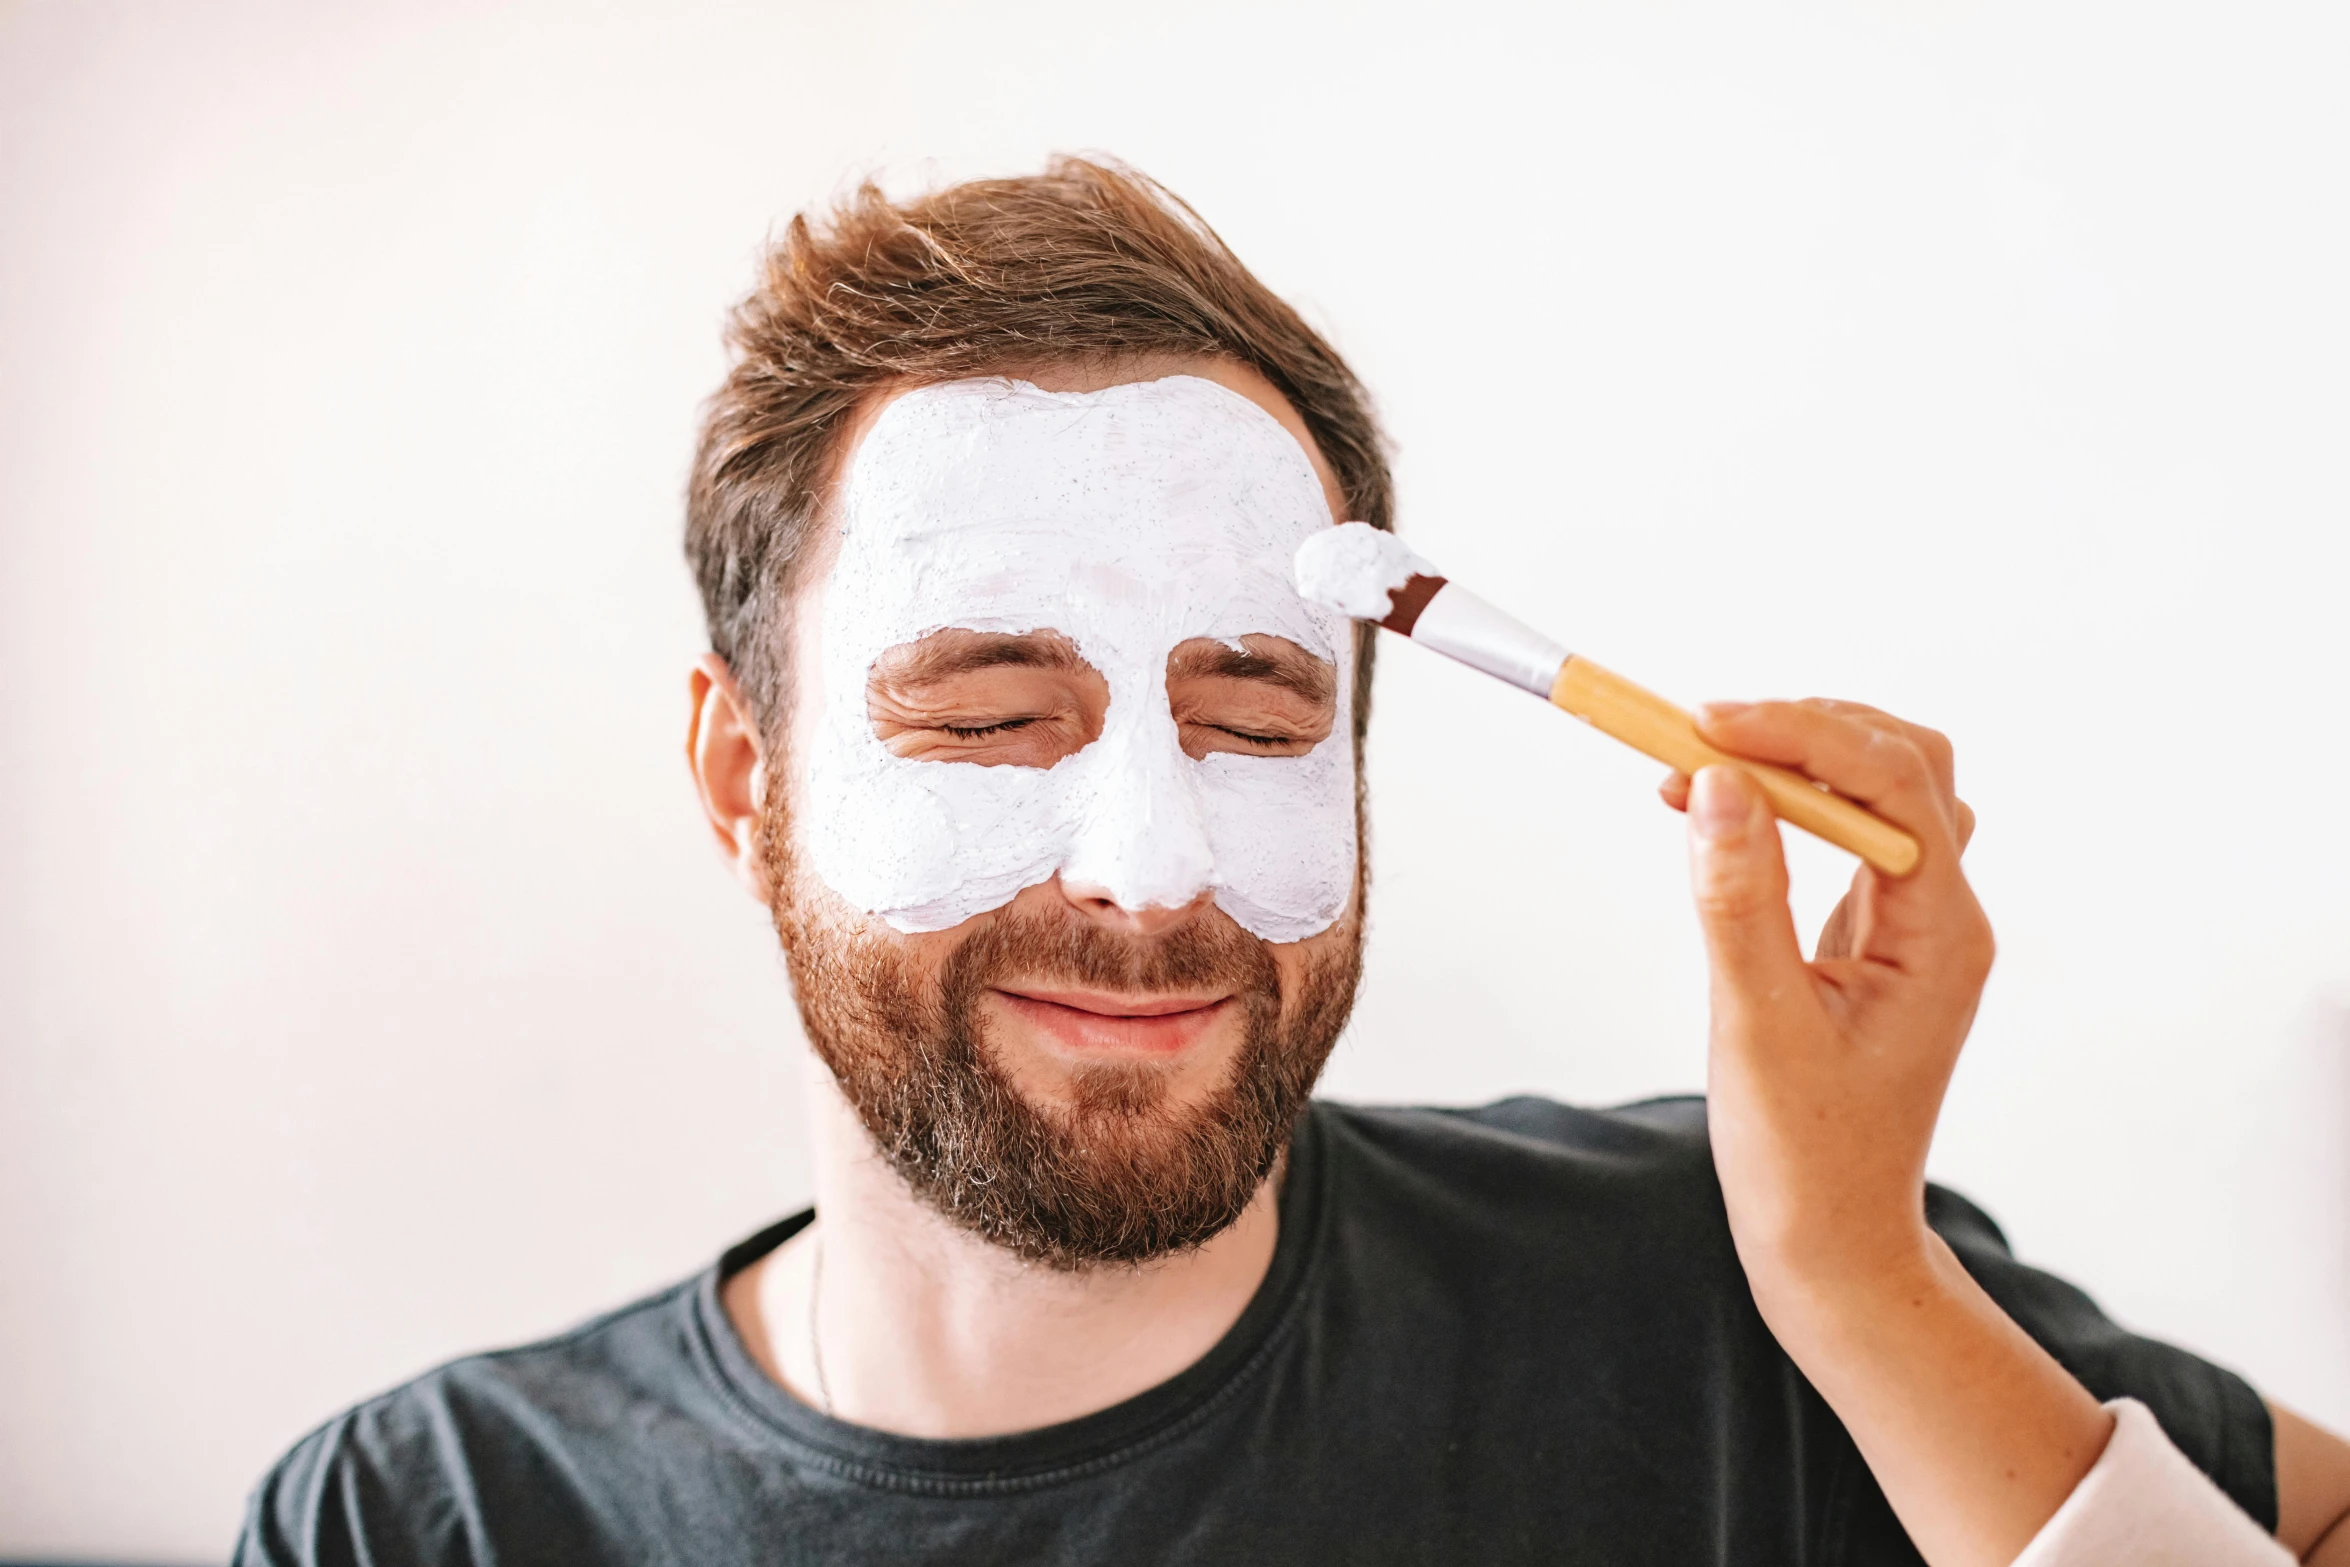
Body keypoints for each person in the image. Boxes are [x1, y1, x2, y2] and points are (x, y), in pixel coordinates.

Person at [237, 157, 2350, 1566]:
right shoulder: (421, 1521)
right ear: (739, 780)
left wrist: (1862, 1290)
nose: (1152, 874)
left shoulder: (1745, 1289)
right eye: (987, 718)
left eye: (1251, 720)